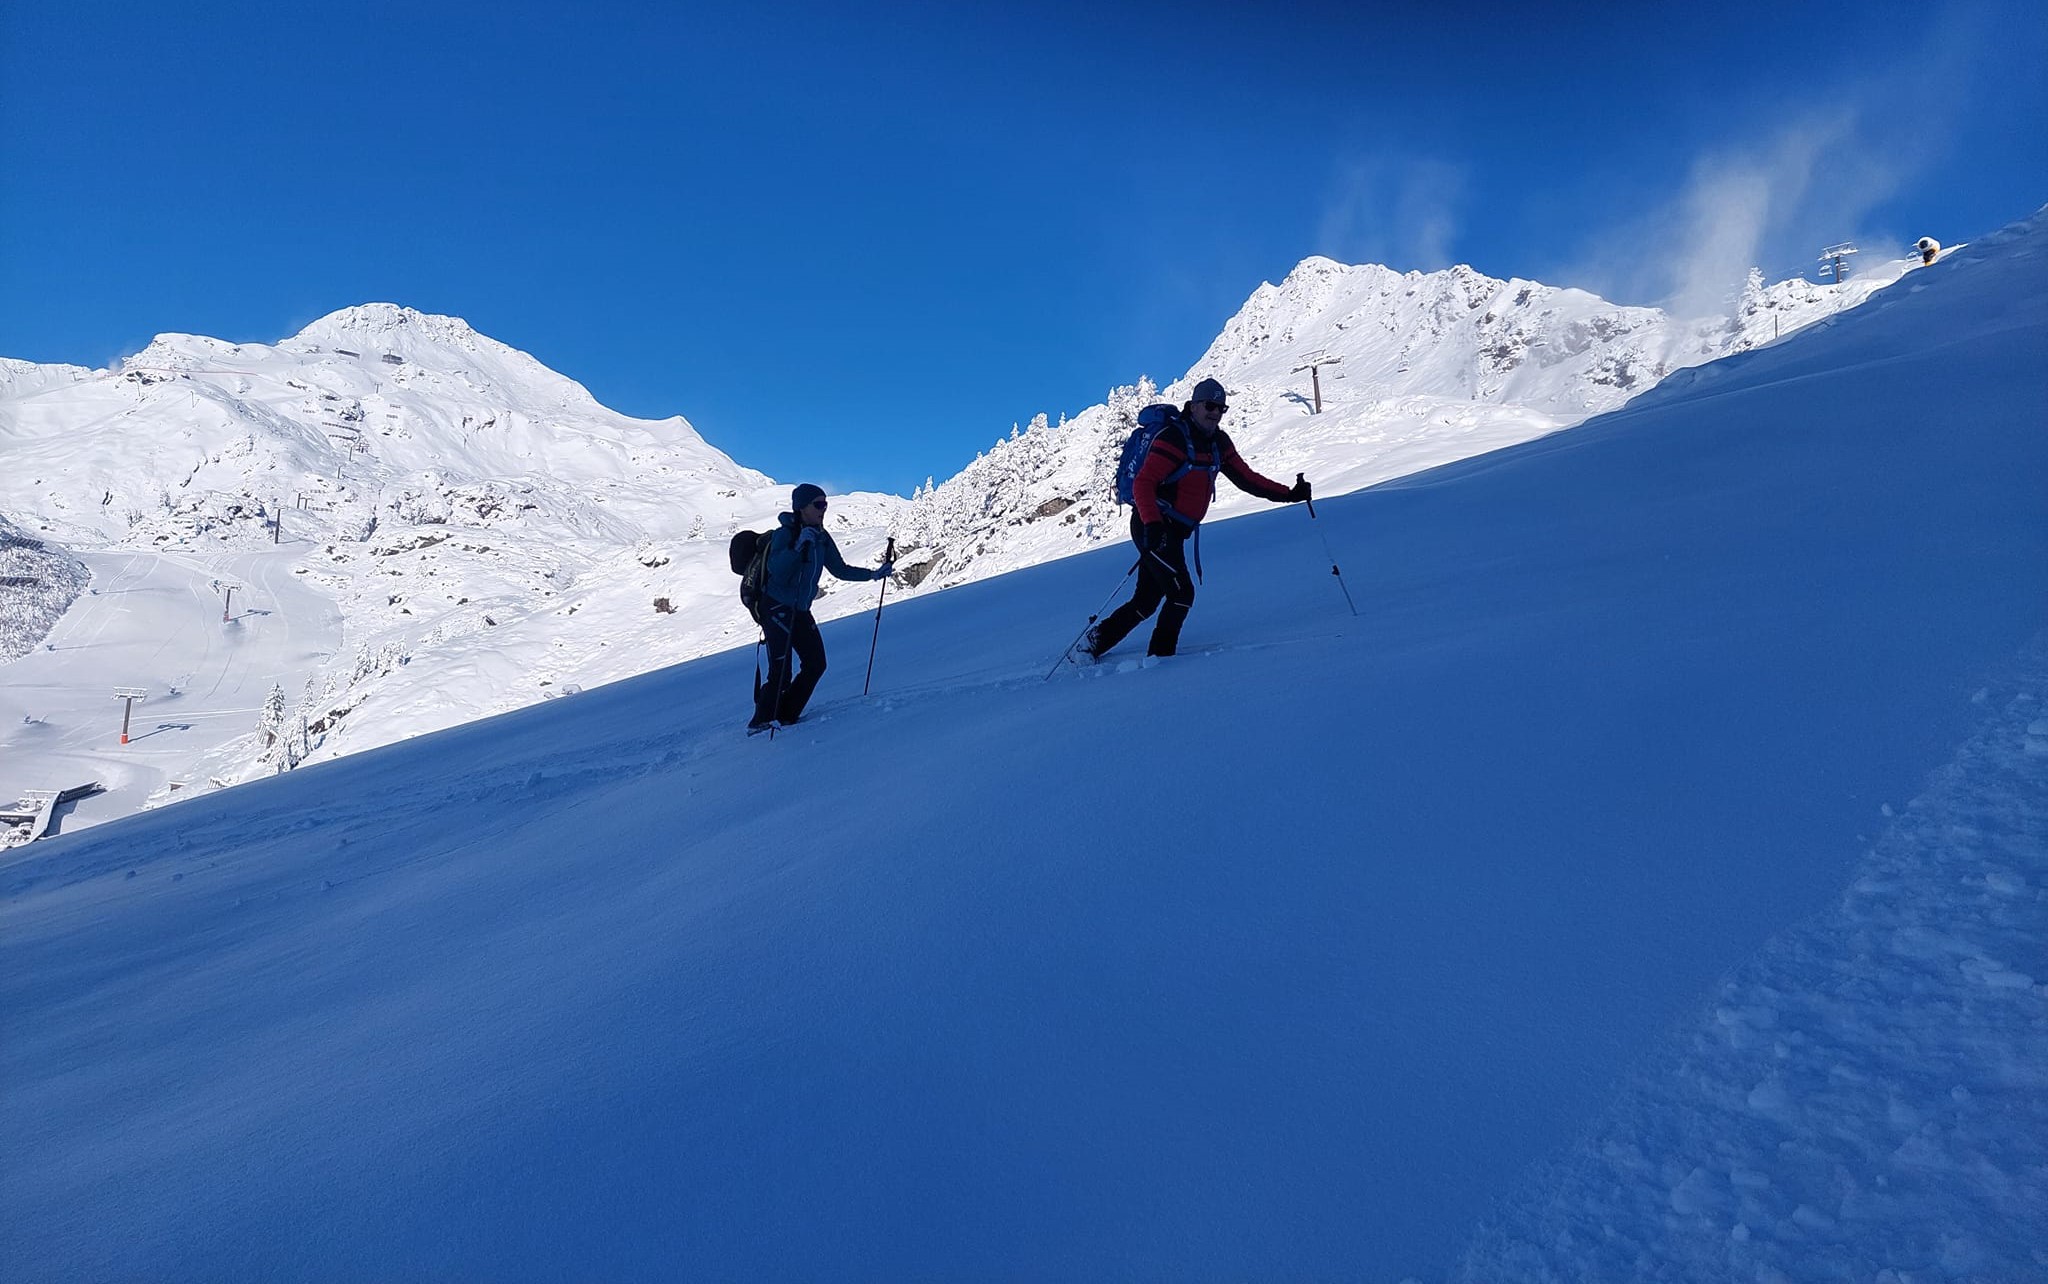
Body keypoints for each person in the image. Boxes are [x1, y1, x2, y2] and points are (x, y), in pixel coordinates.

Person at [1085, 377, 1310, 660]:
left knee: (1146, 600)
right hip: (1152, 525)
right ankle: (1161, 661)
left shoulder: (1218, 443)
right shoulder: (1174, 439)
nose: (1215, 412)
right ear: (1193, 406)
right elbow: (1144, 483)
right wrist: (1153, 524)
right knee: (1181, 594)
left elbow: (1247, 478)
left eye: (1221, 408)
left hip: (1171, 531)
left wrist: (1289, 494)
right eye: (1209, 405)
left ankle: (1092, 644)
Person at [750, 483, 893, 730]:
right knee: (781, 672)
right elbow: (777, 572)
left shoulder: (821, 537)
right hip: (776, 607)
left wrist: (873, 575)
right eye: (818, 504)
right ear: (801, 507)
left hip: (800, 610)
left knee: (816, 663)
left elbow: (840, 569)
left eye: (825, 504)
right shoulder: (785, 534)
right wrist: (797, 547)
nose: (823, 509)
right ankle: (761, 723)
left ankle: (785, 715)